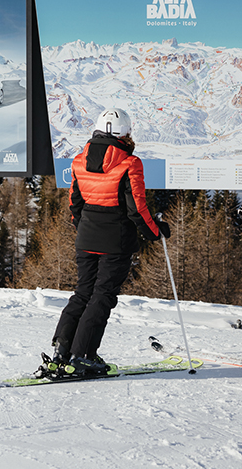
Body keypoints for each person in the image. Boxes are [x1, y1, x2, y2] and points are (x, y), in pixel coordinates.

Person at [47, 107, 169, 378]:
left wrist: (84, 228)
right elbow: (136, 208)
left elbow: (74, 204)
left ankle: (61, 353)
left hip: (86, 237)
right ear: (126, 133)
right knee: (102, 297)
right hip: (116, 240)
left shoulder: (79, 160)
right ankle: (83, 356)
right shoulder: (129, 162)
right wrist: (154, 231)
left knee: (82, 294)